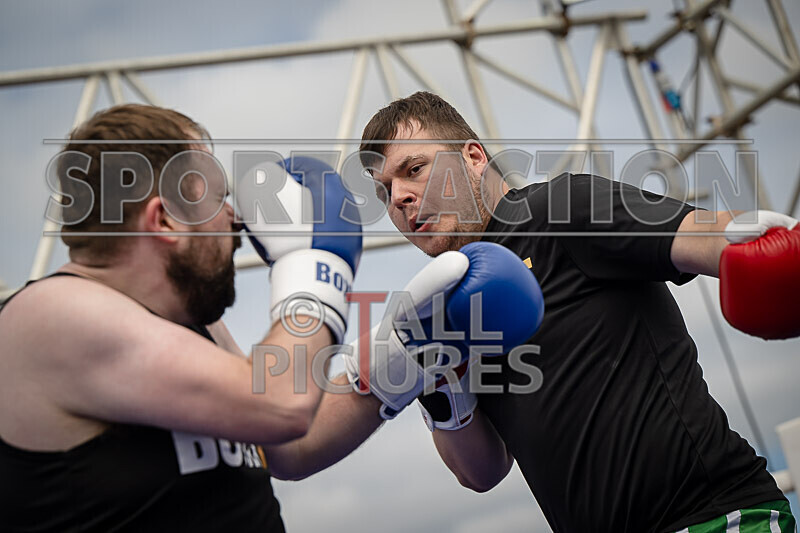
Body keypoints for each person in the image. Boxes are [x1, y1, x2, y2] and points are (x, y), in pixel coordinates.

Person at [0, 103, 546, 531]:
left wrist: (408, 349)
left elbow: (288, 446)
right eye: (219, 199)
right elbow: (281, 405)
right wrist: (316, 263)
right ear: (164, 219)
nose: (236, 220)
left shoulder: (197, 330)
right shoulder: (52, 317)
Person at [358, 91, 799, 533]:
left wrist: (758, 243)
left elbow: (703, 234)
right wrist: (440, 384)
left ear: (472, 157)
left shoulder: (559, 209)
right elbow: (481, 473)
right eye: (384, 191)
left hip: (713, 518)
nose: (398, 197)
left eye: (413, 170)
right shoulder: (442, 310)